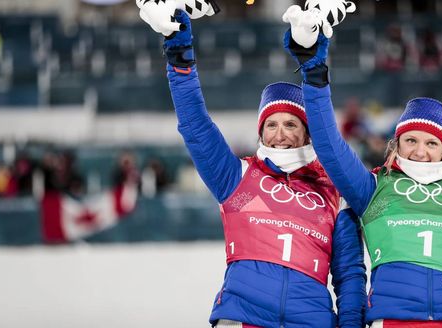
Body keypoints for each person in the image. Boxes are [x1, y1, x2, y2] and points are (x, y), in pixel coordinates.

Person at [283, 22, 442, 327]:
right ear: (397, 145)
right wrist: (315, 74)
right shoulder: (372, 187)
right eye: (411, 141)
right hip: (392, 321)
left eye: (431, 143)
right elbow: (329, 145)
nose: (420, 151)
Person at [139, 7, 366, 328]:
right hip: (242, 317)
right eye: (271, 124)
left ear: (307, 132)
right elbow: (195, 128)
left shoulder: (333, 193)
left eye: (291, 123)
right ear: (260, 132)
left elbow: (350, 276)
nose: (281, 133)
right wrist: (180, 61)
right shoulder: (238, 177)